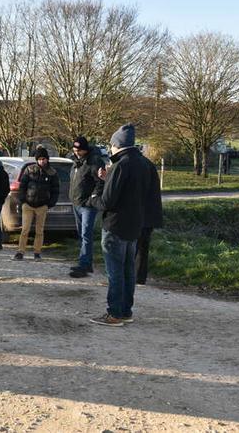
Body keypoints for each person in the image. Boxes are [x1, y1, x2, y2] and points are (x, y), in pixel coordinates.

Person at [86, 124, 151, 327]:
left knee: (115, 272)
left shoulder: (120, 166)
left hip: (115, 225)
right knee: (128, 271)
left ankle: (114, 313)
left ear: (116, 144)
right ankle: (125, 311)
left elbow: (108, 201)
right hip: (135, 225)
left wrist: (94, 196)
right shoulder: (144, 163)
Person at [68, 136, 105, 278]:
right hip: (76, 203)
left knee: (86, 234)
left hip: (87, 206)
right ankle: (85, 262)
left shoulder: (94, 162)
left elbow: (100, 182)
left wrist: (93, 198)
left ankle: (84, 265)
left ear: (85, 149)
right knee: (81, 234)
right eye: (75, 149)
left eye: (79, 150)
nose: (77, 152)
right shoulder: (76, 162)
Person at [14, 145, 59, 261]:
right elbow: (22, 186)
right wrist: (23, 200)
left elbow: (55, 190)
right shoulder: (29, 169)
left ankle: (37, 252)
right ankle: (20, 252)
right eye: (39, 159)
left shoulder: (52, 172)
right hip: (28, 204)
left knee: (40, 231)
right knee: (25, 229)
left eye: (43, 159)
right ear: (36, 160)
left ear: (47, 159)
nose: (42, 161)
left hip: (42, 205)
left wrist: (50, 203)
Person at [136, 155, 163, 285]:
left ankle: (134, 276)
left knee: (135, 246)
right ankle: (140, 277)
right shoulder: (148, 165)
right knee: (143, 247)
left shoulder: (133, 165)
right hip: (149, 213)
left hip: (139, 213)